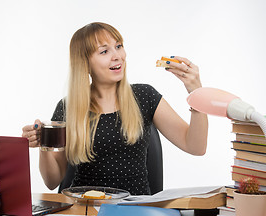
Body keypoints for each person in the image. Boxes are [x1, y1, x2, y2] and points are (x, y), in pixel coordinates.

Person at [22, 22, 208, 195]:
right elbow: (52, 181)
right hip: (86, 211)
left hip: (136, 213)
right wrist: (43, 144)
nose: (117, 56)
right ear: (85, 63)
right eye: (104, 52)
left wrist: (197, 93)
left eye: (118, 46)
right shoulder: (68, 107)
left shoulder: (144, 96)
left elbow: (196, 147)